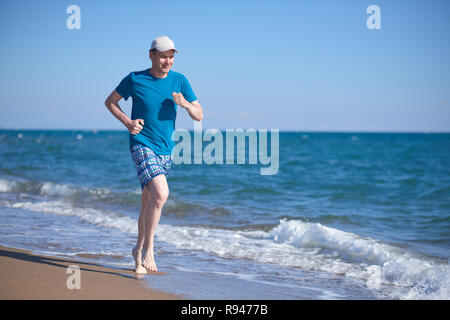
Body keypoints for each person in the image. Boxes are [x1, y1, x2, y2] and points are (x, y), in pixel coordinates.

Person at [105, 36, 203, 273]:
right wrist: (128, 122)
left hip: (165, 149)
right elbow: (110, 102)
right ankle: (150, 248)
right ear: (151, 55)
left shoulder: (180, 81)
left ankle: (137, 250)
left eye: (171, 57)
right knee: (161, 194)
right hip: (141, 144)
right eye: (162, 56)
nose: (167, 61)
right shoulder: (135, 78)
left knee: (149, 201)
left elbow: (199, 114)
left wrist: (186, 105)